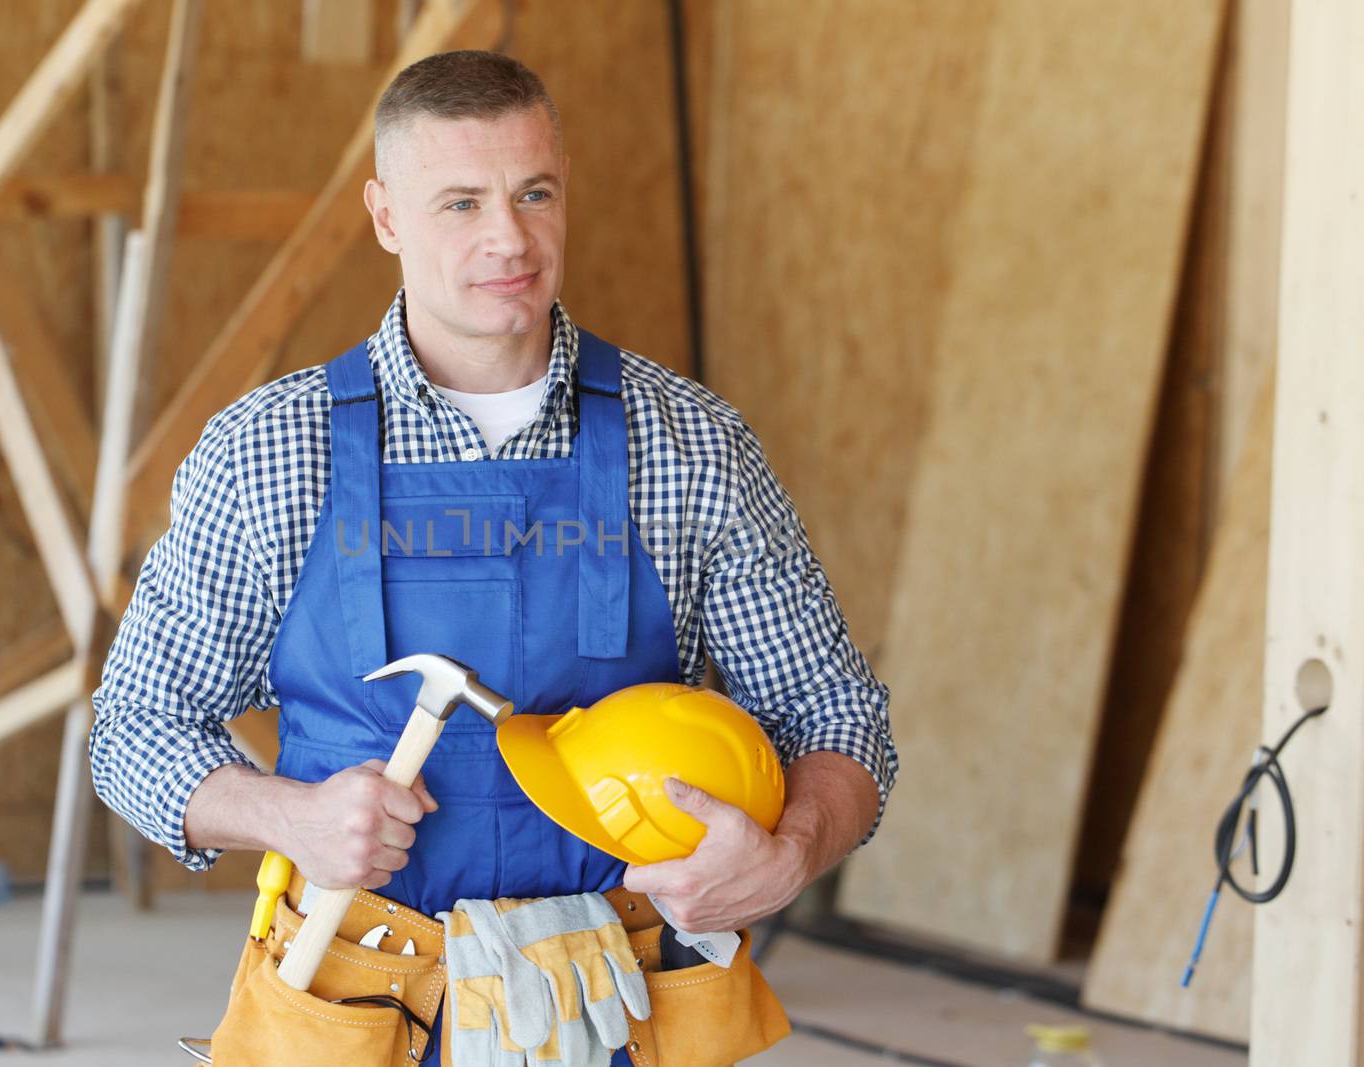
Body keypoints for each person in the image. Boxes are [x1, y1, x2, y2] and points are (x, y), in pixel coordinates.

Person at [90, 48, 897, 1063]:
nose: (507, 238)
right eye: (460, 203)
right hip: (356, 997)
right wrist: (286, 814)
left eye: (533, 192)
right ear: (386, 216)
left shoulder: (688, 443)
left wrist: (787, 854)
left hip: (613, 1007)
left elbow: (837, 715)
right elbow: (131, 727)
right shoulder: (270, 452)